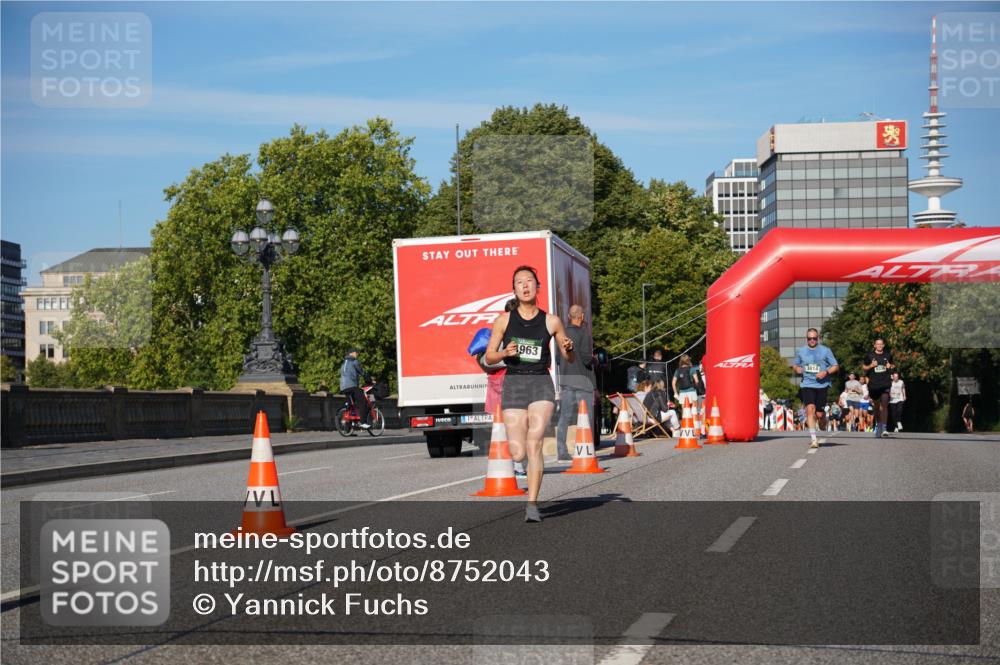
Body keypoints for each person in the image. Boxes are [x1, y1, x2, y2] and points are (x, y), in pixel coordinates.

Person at [485, 265, 575, 523]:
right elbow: (489, 356)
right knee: (517, 452)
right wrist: (504, 353)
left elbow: (568, 357)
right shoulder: (504, 320)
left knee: (534, 442)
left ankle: (532, 503)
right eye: (519, 282)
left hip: (540, 384)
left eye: (529, 281)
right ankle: (527, 474)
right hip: (514, 384)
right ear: (514, 289)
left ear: (537, 287)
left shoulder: (551, 321)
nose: (524, 286)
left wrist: (568, 347)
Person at [555, 304, 595, 463]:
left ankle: (562, 452)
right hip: (582, 381)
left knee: (564, 417)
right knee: (586, 417)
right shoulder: (584, 333)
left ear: (569, 317)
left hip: (565, 380)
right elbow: (586, 358)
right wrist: (595, 360)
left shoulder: (562, 334)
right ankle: (587, 448)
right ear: (582, 316)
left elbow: (558, 359)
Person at [791, 328, 839, 449]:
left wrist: (825, 372)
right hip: (807, 384)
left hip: (822, 385)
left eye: (814, 338)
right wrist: (797, 369)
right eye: (809, 338)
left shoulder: (825, 350)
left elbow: (835, 366)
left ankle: (823, 421)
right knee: (810, 409)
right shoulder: (801, 351)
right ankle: (814, 439)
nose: (812, 340)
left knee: (819, 414)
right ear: (806, 339)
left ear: (818, 338)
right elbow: (795, 365)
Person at [863, 337, 894, 438]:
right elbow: (864, 367)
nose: (879, 346)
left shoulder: (888, 355)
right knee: (876, 407)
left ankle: (884, 428)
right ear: (874, 345)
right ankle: (879, 425)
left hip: (885, 384)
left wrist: (891, 366)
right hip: (874, 385)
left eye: (881, 344)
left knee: (884, 403)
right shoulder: (870, 355)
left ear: (883, 345)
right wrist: (871, 365)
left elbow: (892, 365)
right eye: (878, 344)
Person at [340, 347, 372, 428]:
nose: (357, 354)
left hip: (343, 387)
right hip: (352, 386)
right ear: (352, 353)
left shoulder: (343, 363)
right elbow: (361, 372)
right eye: (356, 353)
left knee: (351, 406)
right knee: (363, 402)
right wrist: (369, 380)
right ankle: (363, 422)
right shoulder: (354, 361)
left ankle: (348, 429)